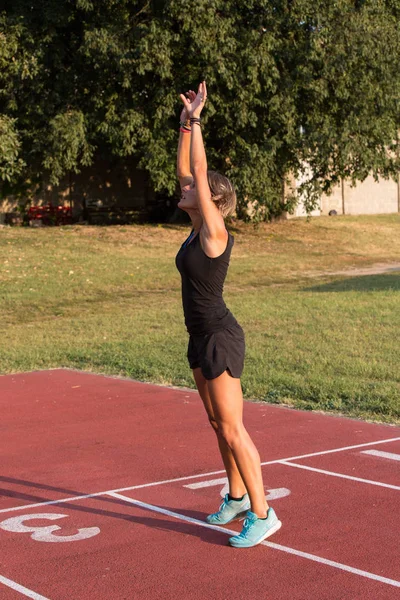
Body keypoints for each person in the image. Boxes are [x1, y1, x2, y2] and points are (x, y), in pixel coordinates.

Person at [175, 81, 282, 548]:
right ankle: (237, 495)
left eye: (195, 189)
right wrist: (183, 125)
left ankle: (263, 513)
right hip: (199, 338)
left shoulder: (214, 234)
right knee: (217, 424)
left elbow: (198, 169)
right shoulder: (196, 227)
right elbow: (187, 168)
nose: (184, 189)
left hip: (220, 336)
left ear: (212, 199)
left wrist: (199, 119)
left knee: (234, 427)